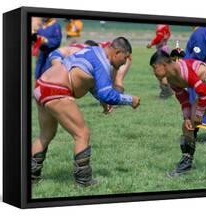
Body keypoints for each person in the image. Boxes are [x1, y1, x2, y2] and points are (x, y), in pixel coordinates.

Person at [32, 37, 141, 186]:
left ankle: (31, 177)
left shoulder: (93, 50)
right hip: (56, 90)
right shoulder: (102, 63)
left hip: (41, 85)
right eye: (125, 58)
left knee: (45, 135)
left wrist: (102, 101)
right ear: (117, 52)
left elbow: (87, 81)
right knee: (82, 134)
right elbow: (106, 94)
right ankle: (83, 181)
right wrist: (131, 100)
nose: (124, 62)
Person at [149, 50, 206, 177]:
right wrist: (187, 117)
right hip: (204, 92)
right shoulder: (171, 79)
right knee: (187, 126)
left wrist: (197, 116)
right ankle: (186, 164)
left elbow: (204, 93)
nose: (153, 72)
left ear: (164, 64)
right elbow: (184, 100)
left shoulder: (184, 70)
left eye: (154, 68)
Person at [184, 26, 206, 139]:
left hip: (197, 70)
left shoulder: (199, 33)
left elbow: (198, 55)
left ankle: (194, 132)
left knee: (196, 101)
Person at [147, 24, 173, 99]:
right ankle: (168, 91)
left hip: (162, 50)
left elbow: (159, 37)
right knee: (164, 71)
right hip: (165, 49)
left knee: (161, 72)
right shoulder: (166, 25)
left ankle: (165, 93)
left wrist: (151, 44)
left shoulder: (161, 25)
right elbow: (168, 34)